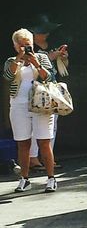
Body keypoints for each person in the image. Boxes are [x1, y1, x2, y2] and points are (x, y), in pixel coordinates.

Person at [3, 28, 57, 192]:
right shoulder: (11, 61)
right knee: (23, 143)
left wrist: (35, 62)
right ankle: (24, 179)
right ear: (15, 45)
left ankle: (51, 178)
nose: (25, 48)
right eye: (21, 45)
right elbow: (7, 77)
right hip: (18, 104)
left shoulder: (41, 57)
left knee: (44, 141)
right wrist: (19, 59)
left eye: (28, 45)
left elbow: (50, 77)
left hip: (41, 104)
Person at [28, 14, 69, 170]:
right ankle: (33, 157)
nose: (46, 34)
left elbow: (62, 67)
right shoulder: (29, 47)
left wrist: (62, 57)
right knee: (34, 123)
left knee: (52, 124)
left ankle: (48, 157)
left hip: (52, 87)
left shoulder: (51, 43)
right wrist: (51, 57)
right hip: (35, 87)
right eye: (42, 31)